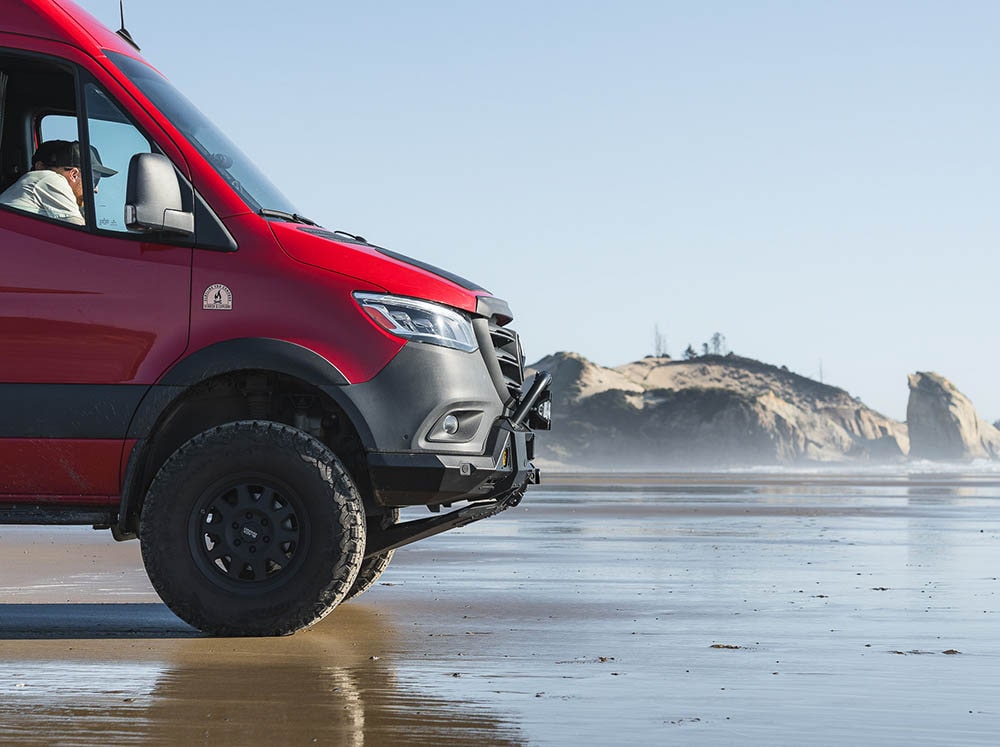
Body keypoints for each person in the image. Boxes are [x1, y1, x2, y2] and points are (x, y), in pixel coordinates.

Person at [0, 139, 117, 226]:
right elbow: (80, 232)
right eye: (94, 180)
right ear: (74, 174)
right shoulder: (50, 179)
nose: (96, 189)